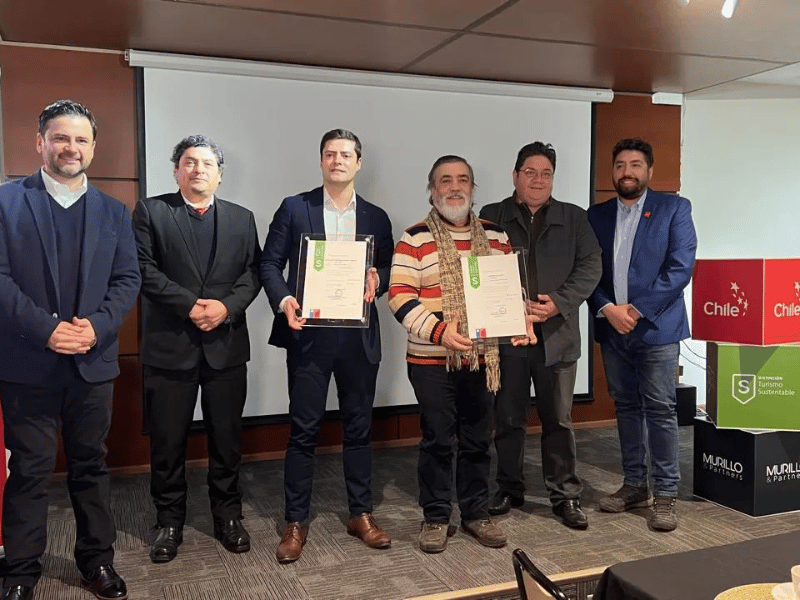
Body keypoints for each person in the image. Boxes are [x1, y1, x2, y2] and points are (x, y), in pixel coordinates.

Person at [0, 100, 140, 600]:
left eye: (81, 140)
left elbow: (127, 279)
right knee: (29, 469)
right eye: (61, 137)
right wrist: (47, 330)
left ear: (93, 148)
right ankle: (20, 569)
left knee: (91, 467)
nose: (71, 148)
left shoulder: (113, 211)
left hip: (91, 362)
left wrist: (96, 328)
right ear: (40, 142)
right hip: (27, 362)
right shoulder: (6, 202)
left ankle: (97, 561)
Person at [260, 129, 394, 563]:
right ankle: (295, 521)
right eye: (330, 154)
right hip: (309, 337)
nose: (338, 160)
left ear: (358, 163)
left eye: (346, 155)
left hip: (358, 339)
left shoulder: (376, 217)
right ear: (321, 161)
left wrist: (378, 279)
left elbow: (388, 266)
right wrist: (284, 300)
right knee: (303, 431)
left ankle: (361, 514)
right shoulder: (294, 208)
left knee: (359, 428)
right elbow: (269, 263)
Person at [389, 155, 535, 553]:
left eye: (463, 180)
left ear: (472, 188)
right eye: (445, 180)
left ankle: (475, 512)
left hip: (482, 359)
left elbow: (510, 291)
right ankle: (436, 516)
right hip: (430, 360)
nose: (455, 187)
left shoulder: (497, 236)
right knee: (438, 440)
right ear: (432, 189)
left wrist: (520, 321)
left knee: (477, 439)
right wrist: (440, 332)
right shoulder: (413, 238)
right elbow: (399, 296)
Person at [133, 135, 261, 562]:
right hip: (170, 347)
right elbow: (143, 269)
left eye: (207, 163)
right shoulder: (151, 211)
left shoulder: (242, 218)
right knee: (168, 441)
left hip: (226, 346)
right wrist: (190, 305)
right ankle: (168, 521)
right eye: (189, 162)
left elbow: (253, 273)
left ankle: (228, 516)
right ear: (176, 171)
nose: (198, 169)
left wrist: (226, 308)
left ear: (220, 174)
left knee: (227, 439)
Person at [480, 142, 601, 530]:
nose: (537, 180)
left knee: (559, 421)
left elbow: (590, 267)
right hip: (509, 338)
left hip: (557, 336)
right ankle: (508, 488)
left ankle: (565, 495)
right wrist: (509, 309)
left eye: (546, 173)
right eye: (529, 172)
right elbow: (477, 267)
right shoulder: (491, 215)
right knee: (508, 419)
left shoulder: (574, 218)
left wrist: (557, 304)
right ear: (515, 176)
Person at [587, 138, 697, 532]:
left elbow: (680, 268)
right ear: (612, 171)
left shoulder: (674, 208)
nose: (627, 172)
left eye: (635, 164)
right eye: (620, 165)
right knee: (626, 407)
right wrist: (608, 308)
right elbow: (586, 270)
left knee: (660, 409)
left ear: (649, 170)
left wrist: (634, 311)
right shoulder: (596, 215)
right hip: (612, 325)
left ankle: (665, 493)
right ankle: (635, 484)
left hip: (656, 327)